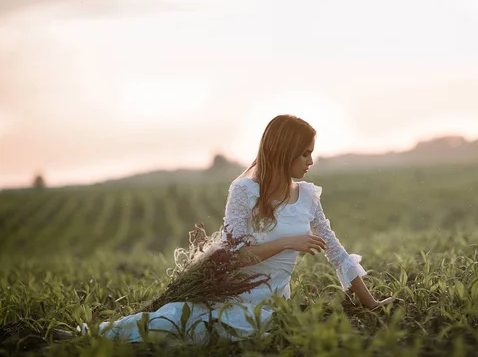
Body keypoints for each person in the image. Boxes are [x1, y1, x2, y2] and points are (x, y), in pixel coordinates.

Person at [79, 114, 394, 343]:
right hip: (233, 296)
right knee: (174, 317)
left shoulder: (308, 196)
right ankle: (87, 337)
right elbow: (232, 256)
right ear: (284, 152)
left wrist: (374, 305)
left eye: (311, 152)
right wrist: (288, 242)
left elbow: (337, 254)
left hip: (271, 306)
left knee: (184, 330)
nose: (311, 160)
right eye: (304, 153)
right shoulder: (245, 192)